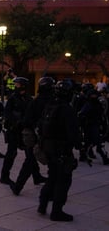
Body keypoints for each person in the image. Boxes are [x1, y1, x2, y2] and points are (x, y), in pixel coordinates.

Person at [37, 79, 82, 221]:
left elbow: (40, 126)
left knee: (52, 177)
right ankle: (57, 211)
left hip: (48, 148)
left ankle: (42, 204)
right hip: (62, 150)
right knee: (63, 181)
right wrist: (79, 145)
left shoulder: (49, 106)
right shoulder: (67, 110)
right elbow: (73, 132)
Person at [8, 77, 53, 195]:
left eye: (18, 84)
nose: (16, 86)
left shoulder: (34, 100)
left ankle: (19, 186)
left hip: (37, 135)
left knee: (30, 160)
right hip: (42, 136)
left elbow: (27, 119)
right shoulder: (53, 102)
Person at [0, 77, 33, 184]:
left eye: (17, 84)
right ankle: (4, 176)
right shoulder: (13, 98)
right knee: (11, 153)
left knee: (30, 154)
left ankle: (36, 176)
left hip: (25, 130)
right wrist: (15, 122)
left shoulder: (28, 98)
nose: (16, 86)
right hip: (14, 130)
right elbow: (7, 113)